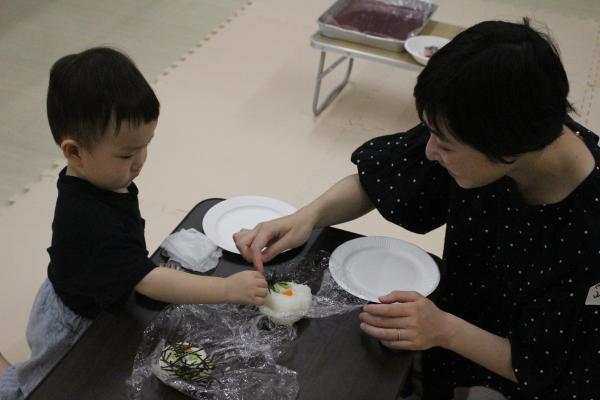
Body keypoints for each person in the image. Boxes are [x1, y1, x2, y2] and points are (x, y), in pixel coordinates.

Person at [233, 19, 600, 399]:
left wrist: (444, 330)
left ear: (507, 147)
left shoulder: (587, 237)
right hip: (454, 321)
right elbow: (380, 180)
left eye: (445, 144)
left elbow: (551, 365)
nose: (430, 151)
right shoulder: (485, 124)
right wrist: (307, 217)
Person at [0, 47, 267, 400]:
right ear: (74, 152)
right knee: (45, 386)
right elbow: (148, 281)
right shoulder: (88, 218)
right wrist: (226, 290)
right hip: (70, 323)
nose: (140, 161)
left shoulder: (100, 177)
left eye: (145, 145)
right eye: (127, 154)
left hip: (92, 292)